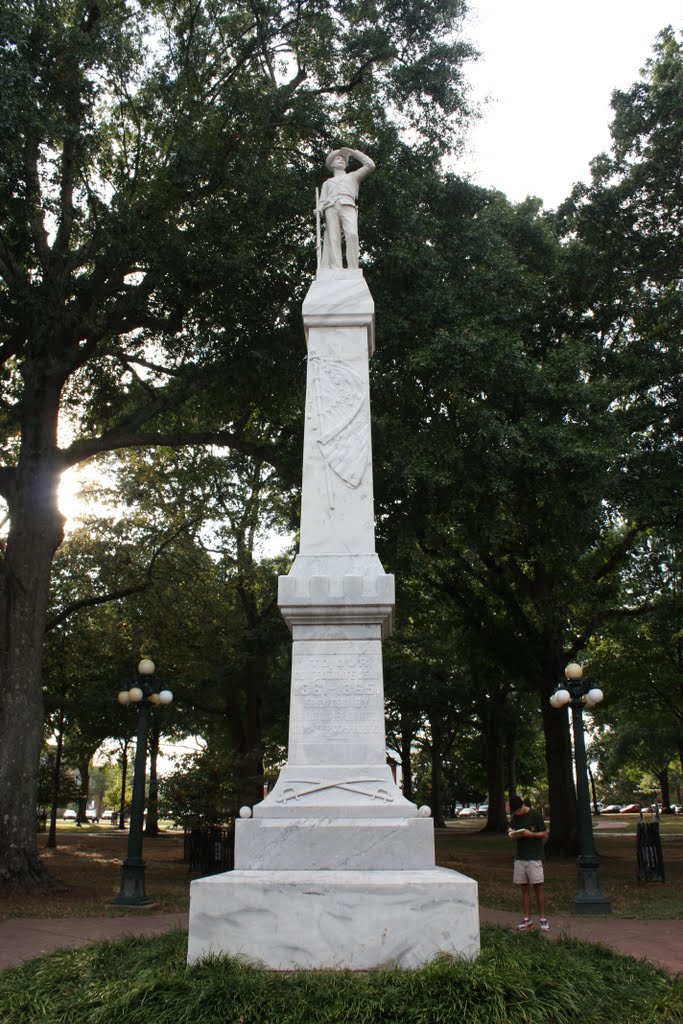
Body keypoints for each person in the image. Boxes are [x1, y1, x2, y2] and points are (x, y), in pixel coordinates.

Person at [318, 147, 375, 269]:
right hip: (330, 208)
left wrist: (354, 153)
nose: (341, 160)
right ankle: (336, 268)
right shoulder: (327, 183)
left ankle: (353, 268)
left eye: (343, 159)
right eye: (338, 158)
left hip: (348, 205)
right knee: (333, 238)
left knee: (352, 234)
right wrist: (319, 208)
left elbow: (370, 165)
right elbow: (322, 200)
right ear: (332, 164)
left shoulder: (353, 176)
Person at [508, 794, 549, 932]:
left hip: (534, 856)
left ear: (522, 806)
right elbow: (511, 829)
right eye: (515, 812)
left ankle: (543, 918)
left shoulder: (535, 815)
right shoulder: (515, 817)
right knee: (524, 888)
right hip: (520, 857)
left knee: (538, 887)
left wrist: (530, 834)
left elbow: (544, 834)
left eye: (518, 811)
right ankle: (527, 919)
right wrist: (512, 833)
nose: (517, 814)